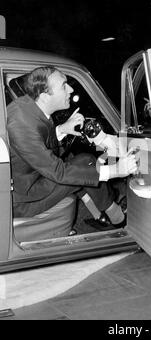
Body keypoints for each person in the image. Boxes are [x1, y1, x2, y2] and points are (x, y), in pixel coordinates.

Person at [7, 66, 138, 234]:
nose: (70, 89)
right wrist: (116, 170)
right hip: (25, 199)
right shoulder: (21, 125)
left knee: (83, 163)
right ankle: (120, 219)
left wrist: (61, 129)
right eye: (63, 86)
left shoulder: (27, 107)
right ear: (45, 95)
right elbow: (59, 172)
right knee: (86, 163)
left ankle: (107, 217)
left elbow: (36, 146)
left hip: (29, 182)